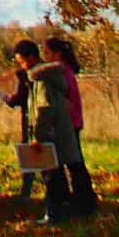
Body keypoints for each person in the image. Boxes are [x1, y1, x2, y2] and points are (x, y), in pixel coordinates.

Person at [14, 39, 80, 224]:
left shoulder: (42, 78)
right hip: (54, 130)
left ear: (32, 58)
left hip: (49, 133)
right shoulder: (45, 76)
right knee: (55, 174)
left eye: (22, 62)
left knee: (50, 175)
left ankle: (54, 213)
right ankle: (61, 210)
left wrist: (38, 136)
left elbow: (43, 108)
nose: (22, 65)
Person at [45, 36, 99, 217]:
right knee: (74, 161)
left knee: (74, 162)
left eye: (47, 53)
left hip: (68, 123)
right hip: (72, 121)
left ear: (57, 54)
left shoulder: (61, 72)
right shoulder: (65, 70)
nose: (45, 57)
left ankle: (84, 199)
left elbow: (65, 99)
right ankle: (81, 198)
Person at [0, 68, 36, 200]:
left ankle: (26, 191)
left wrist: (4, 96)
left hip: (30, 121)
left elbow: (17, 99)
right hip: (34, 120)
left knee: (30, 155)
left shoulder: (25, 77)